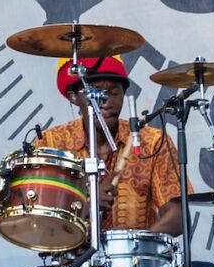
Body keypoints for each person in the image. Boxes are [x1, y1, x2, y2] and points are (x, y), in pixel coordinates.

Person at [39, 57, 188, 236]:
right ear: (74, 97)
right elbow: (39, 222)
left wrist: (137, 247)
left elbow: (178, 216)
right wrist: (85, 208)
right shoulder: (50, 144)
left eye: (113, 92)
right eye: (94, 93)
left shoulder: (152, 141)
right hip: (72, 259)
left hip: (136, 261)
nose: (106, 101)